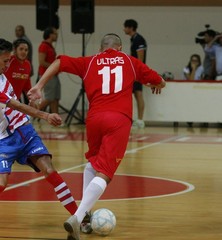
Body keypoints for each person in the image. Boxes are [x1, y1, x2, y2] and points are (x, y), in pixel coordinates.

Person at [27, 33, 166, 240]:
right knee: (106, 173)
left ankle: (84, 220)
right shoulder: (130, 60)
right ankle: (78, 216)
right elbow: (160, 81)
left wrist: (39, 86)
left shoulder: (90, 62)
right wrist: (157, 84)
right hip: (118, 119)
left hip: (94, 119)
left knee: (93, 163)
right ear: (119, 48)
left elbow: (58, 62)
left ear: (101, 49)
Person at [0, 38, 78, 218]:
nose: (8, 64)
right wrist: (46, 115)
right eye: (5, 61)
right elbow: (15, 105)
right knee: (2, 183)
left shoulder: (5, 73)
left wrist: (33, 100)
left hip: (24, 131)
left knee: (49, 170)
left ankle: (79, 218)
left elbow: (21, 103)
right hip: (4, 140)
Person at [123, 19, 147, 128]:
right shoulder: (133, 39)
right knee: (135, 94)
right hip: (134, 71)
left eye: (125, 27)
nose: (124, 29)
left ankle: (140, 120)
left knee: (138, 94)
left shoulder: (138, 39)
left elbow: (140, 58)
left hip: (137, 72)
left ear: (131, 28)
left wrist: (137, 72)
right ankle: (135, 119)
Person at [38, 26, 60, 114]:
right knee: (49, 98)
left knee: (55, 98)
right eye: (55, 33)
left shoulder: (50, 46)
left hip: (54, 75)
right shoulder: (43, 46)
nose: (57, 35)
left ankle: (56, 119)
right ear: (50, 35)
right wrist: (54, 66)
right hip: (47, 75)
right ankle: (29, 114)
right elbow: (42, 62)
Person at [15, 25, 34, 104]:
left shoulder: (24, 41)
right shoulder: (9, 61)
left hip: (23, 70)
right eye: (16, 30)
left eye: (25, 50)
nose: (23, 52)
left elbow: (27, 87)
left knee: (23, 89)